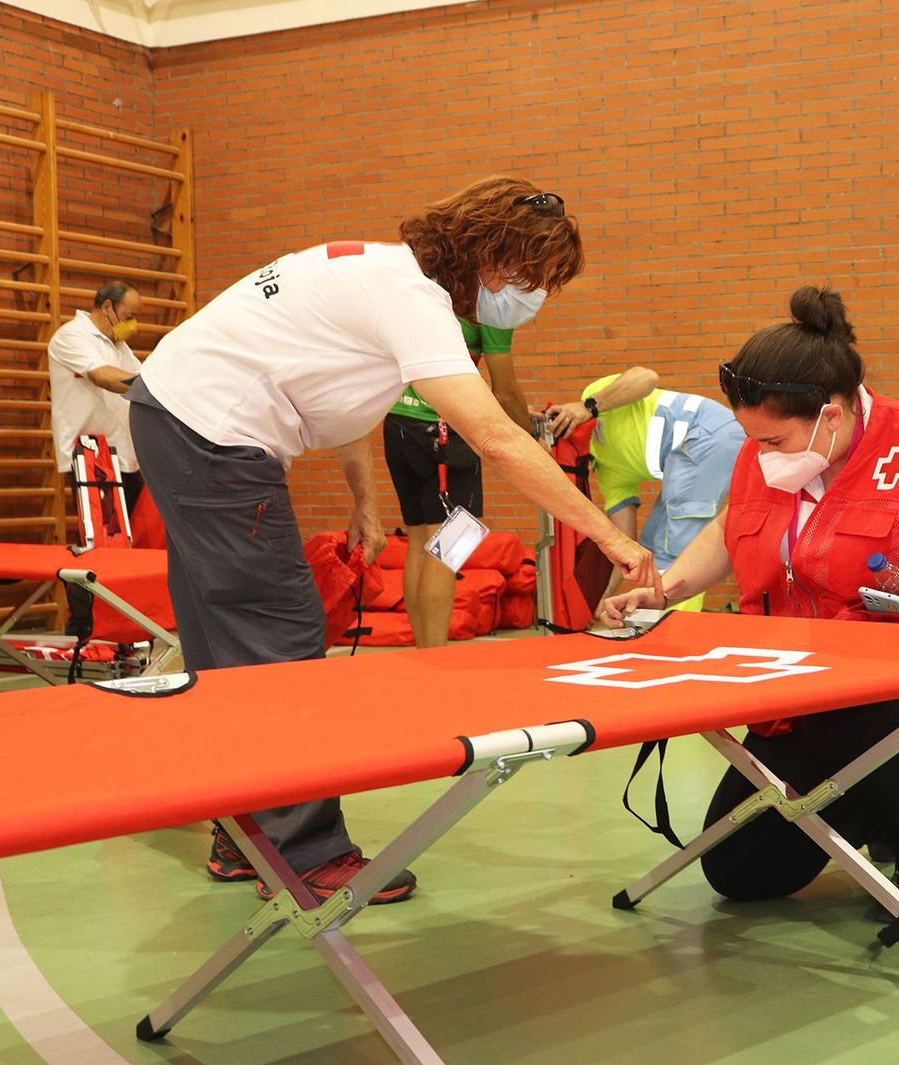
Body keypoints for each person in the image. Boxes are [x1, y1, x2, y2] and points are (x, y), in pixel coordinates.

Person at [127, 177, 659, 905]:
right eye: (531, 279)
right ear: (495, 258)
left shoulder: (379, 272)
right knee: (279, 634)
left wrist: (361, 498)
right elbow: (499, 436)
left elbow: (328, 398)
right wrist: (612, 536)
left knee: (228, 645)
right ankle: (306, 853)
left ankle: (242, 831)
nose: (530, 297)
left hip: (177, 415)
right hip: (215, 435)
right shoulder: (413, 299)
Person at [601, 286, 899, 916]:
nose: (759, 453)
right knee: (742, 873)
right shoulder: (762, 450)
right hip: (802, 692)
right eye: (752, 439)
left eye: (773, 441)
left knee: (855, 708)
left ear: (833, 415)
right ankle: (869, 809)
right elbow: (729, 527)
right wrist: (667, 590)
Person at [383, 185, 550, 647]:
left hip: (398, 422)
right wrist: (527, 436)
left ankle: (424, 651)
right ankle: (437, 657)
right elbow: (505, 389)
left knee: (421, 539)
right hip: (440, 429)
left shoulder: (439, 291)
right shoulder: (489, 309)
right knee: (452, 539)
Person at [543, 366, 747, 610]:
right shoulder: (608, 471)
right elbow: (624, 542)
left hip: (704, 435)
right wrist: (603, 598)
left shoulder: (596, 398)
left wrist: (587, 407)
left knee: (676, 545)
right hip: (689, 453)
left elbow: (647, 377)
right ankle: (660, 623)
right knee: (649, 547)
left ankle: (676, 630)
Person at [47, 281, 144, 511]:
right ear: (108, 307)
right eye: (128, 316)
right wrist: (150, 387)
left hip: (124, 453)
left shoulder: (119, 345)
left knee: (133, 538)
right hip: (92, 455)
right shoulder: (72, 336)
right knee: (105, 538)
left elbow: (141, 377)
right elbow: (102, 375)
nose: (133, 325)